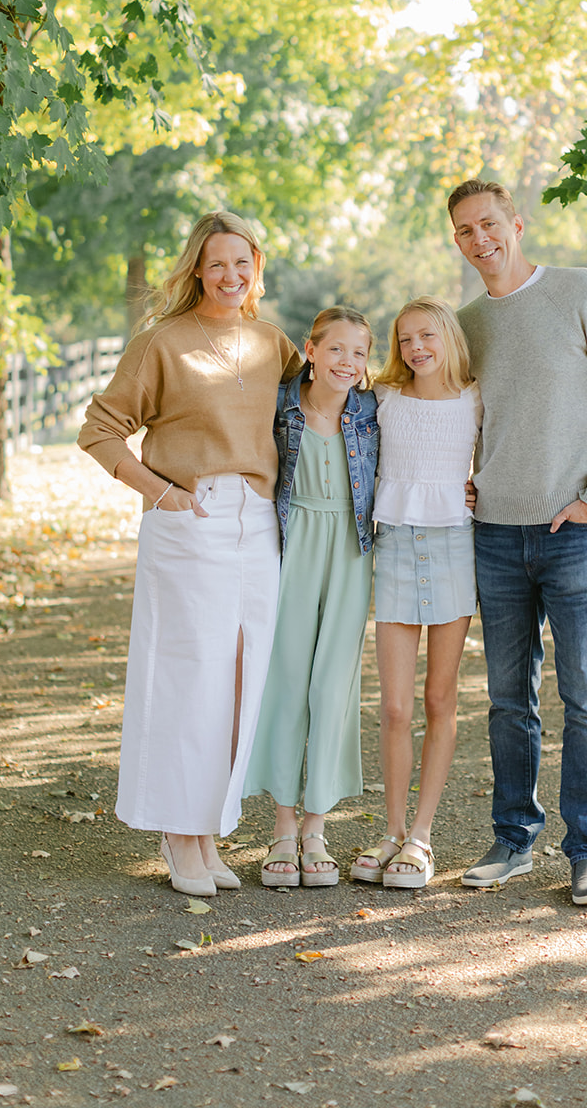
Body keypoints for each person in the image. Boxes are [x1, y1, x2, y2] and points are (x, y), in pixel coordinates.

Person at [77, 211, 301, 896]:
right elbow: (100, 430)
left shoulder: (274, 344)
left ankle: (210, 832)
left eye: (242, 263)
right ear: (197, 270)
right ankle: (181, 838)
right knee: (189, 676)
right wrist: (161, 493)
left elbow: (325, 412)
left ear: (256, 267)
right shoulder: (162, 343)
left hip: (258, 524)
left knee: (242, 682)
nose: (230, 276)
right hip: (190, 520)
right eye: (216, 264)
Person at [448, 178, 587, 907]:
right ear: (457, 241)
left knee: (585, 697)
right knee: (507, 700)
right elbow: (450, 417)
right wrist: (457, 483)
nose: (481, 239)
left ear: (516, 224)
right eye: (466, 230)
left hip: (577, 533)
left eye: (490, 224)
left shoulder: (579, 291)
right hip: (495, 536)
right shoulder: (465, 325)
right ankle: (512, 841)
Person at [244, 307, 378, 887]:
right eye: (337, 350)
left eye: (360, 354)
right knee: (288, 676)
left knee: (333, 686)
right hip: (292, 544)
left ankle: (316, 826)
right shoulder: (277, 404)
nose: (347, 363)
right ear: (311, 350)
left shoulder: (373, 410)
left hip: (352, 550)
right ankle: (280, 826)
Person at [351, 296, 481, 890]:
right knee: (396, 706)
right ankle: (392, 831)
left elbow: (504, 455)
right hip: (396, 544)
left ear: (449, 337)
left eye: (426, 335)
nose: (416, 349)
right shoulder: (383, 401)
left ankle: (423, 837)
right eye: (404, 340)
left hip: (456, 546)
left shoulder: (476, 398)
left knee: (438, 699)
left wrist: (483, 486)